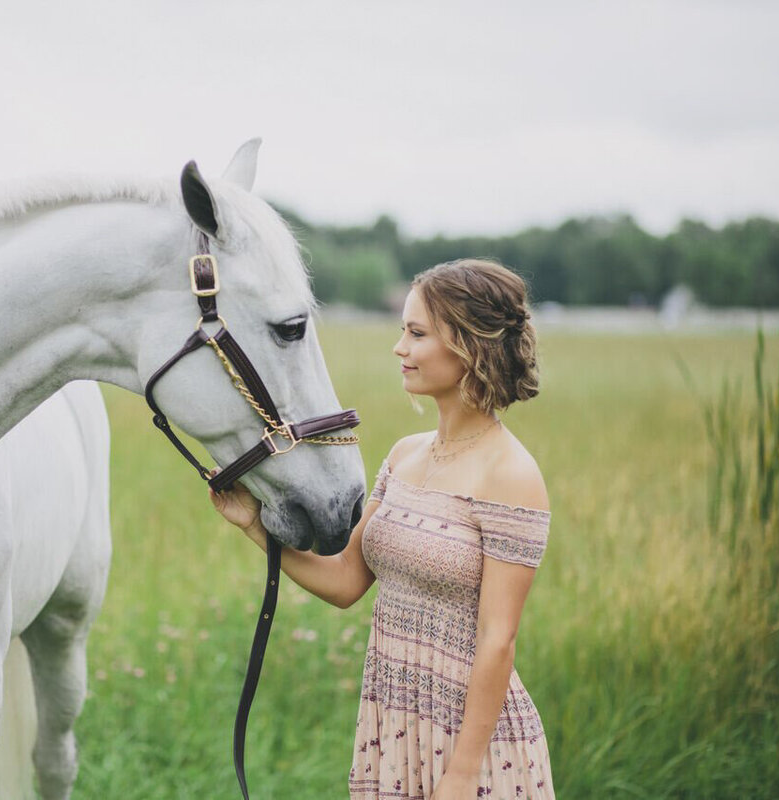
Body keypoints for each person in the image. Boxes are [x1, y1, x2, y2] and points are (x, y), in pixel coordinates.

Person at [209, 258, 555, 799]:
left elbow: (498, 639)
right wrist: (255, 525)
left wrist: (463, 775)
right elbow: (347, 580)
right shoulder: (403, 456)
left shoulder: (511, 475)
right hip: (393, 728)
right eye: (403, 331)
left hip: (471, 747)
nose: (400, 348)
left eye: (417, 333)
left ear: (470, 346)